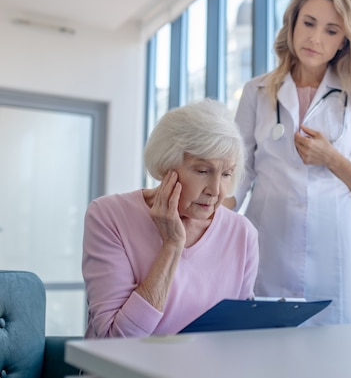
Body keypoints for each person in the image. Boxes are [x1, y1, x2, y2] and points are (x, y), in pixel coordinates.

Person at [228, 0, 351, 325]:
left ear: (344, 42)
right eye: (309, 23)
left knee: (335, 356)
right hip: (267, 240)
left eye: (331, 31)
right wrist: (213, 218)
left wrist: (330, 157)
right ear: (292, 24)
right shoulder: (256, 91)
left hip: (333, 247)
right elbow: (238, 170)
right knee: (265, 350)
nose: (315, 38)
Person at [82, 100, 258, 338]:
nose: (215, 190)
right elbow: (115, 339)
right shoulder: (108, 215)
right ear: (167, 166)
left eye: (226, 174)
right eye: (202, 171)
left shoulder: (242, 233)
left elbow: (239, 337)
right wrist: (172, 246)